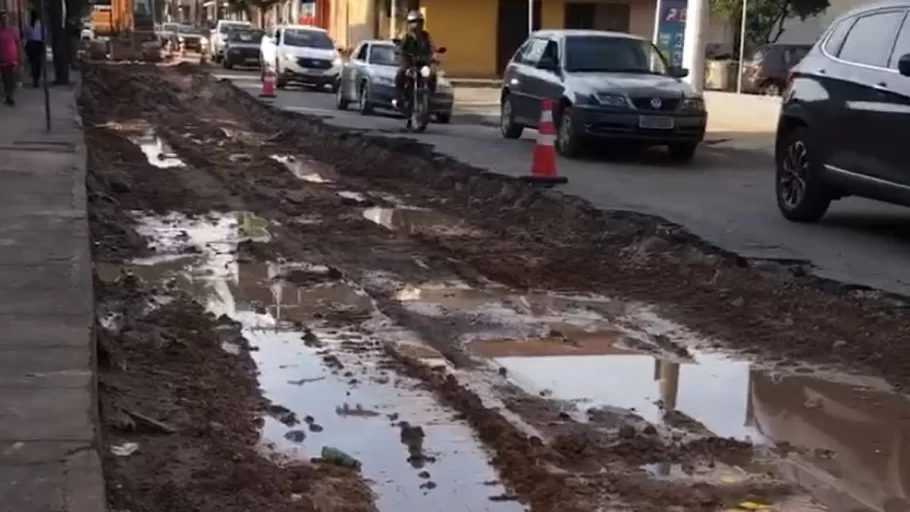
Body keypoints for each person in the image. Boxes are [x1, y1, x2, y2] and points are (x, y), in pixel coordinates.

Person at [393, 10, 434, 110]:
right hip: (409, 62)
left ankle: (430, 97)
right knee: (400, 73)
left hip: (422, 63)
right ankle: (399, 97)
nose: (417, 24)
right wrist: (401, 53)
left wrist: (433, 56)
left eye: (419, 22)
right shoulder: (406, 36)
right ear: (409, 23)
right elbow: (400, 48)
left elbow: (431, 47)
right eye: (414, 22)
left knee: (432, 74)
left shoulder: (425, 36)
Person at [0, 10, 19, 105]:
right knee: (6, 78)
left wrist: (20, 56)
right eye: (2, 19)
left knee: (11, 79)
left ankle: (10, 96)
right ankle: (9, 96)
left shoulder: (12, 30)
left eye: (6, 19)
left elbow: (17, 43)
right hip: (3, 59)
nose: (4, 21)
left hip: (12, 58)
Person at [24, 10, 44, 87]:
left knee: (33, 63)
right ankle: (36, 78)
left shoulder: (28, 24)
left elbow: (25, 34)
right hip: (38, 43)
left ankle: (35, 79)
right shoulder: (40, 24)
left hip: (31, 44)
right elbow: (44, 33)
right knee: (37, 62)